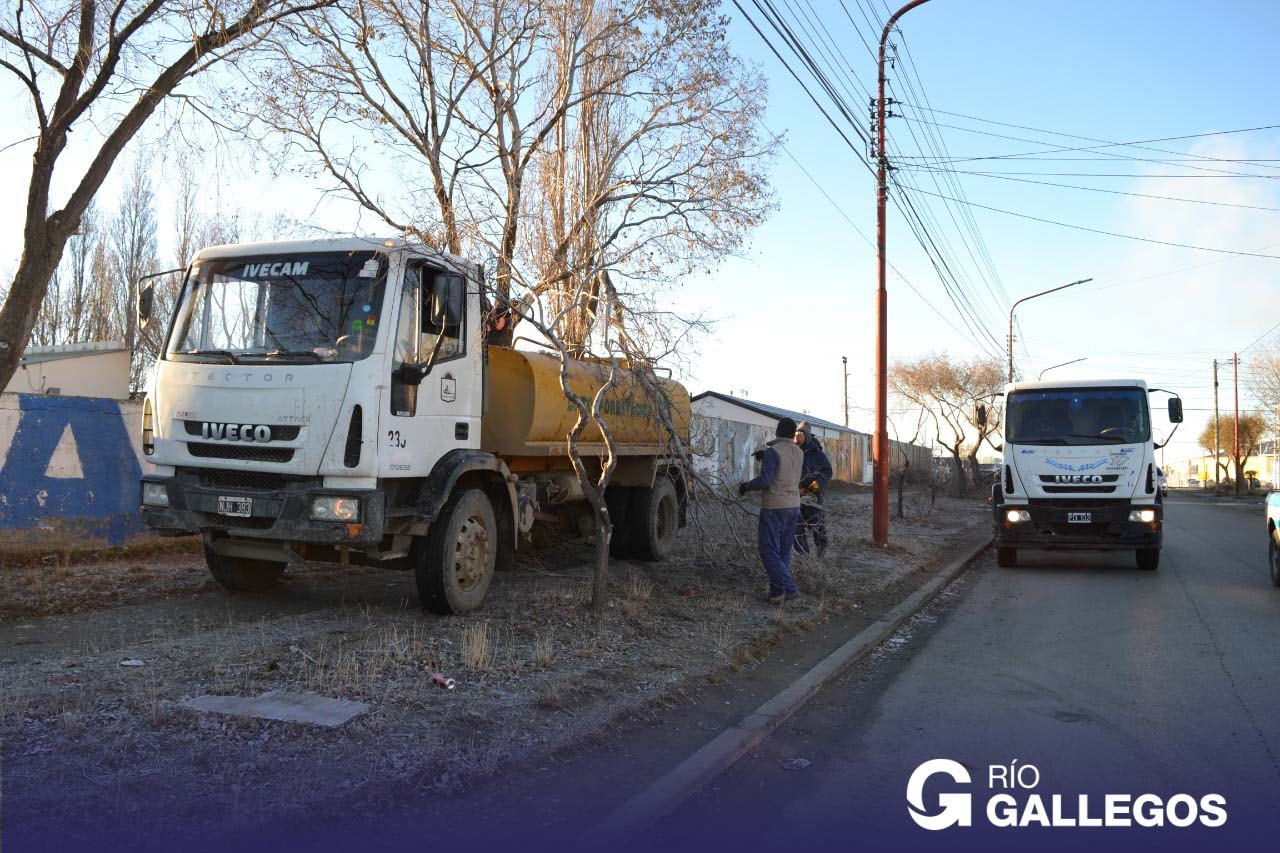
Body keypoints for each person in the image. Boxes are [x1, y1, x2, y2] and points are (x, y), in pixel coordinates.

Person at [739, 417, 804, 605]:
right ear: (792, 434)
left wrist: (747, 486)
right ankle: (778, 593)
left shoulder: (773, 452)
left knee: (768, 550)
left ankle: (789, 587)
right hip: (794, 506)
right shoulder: (799, 452)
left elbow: (766, 480)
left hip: (774, 507)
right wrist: (765, 457)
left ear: (777, 431)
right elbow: (786, 468)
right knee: (783, 551)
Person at [793, 421, 832, 557]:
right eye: (796, 433)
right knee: (796, 525)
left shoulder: (818, 454)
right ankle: (803, 555)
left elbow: (827, 472)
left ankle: (821, 548)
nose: (797, 435)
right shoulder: (792, 451)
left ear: (808, 435)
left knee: (817, 524)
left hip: (813, 497)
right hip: (795, 496)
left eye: (801, 433)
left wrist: (811, 488)